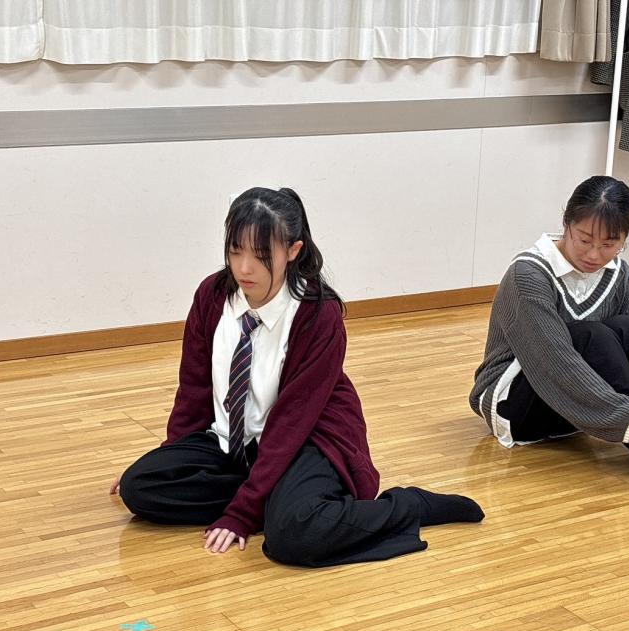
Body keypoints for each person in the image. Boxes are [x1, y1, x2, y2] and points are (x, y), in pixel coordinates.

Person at [112, 187, 483, 567]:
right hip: (238, 444)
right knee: (140, 487)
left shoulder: (317, 314)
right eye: (235, 251)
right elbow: (194, 390)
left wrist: (242, 513)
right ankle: (276, 498)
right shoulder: (212, 295)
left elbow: (291, 423)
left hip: (307, 439)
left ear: (293, 250)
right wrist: (172, 460)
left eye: (260, 255)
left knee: (295, 536)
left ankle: (408, 507)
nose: (244, 268)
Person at [470, 176, 629, 498]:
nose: (594, 255)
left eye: (609, 244)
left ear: (625, 238)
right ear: (566, 224)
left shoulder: (619, 274)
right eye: (584, 240)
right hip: (516, 407)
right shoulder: (528, 275)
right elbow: (556, 362)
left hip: (583, 411)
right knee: (591, 335)